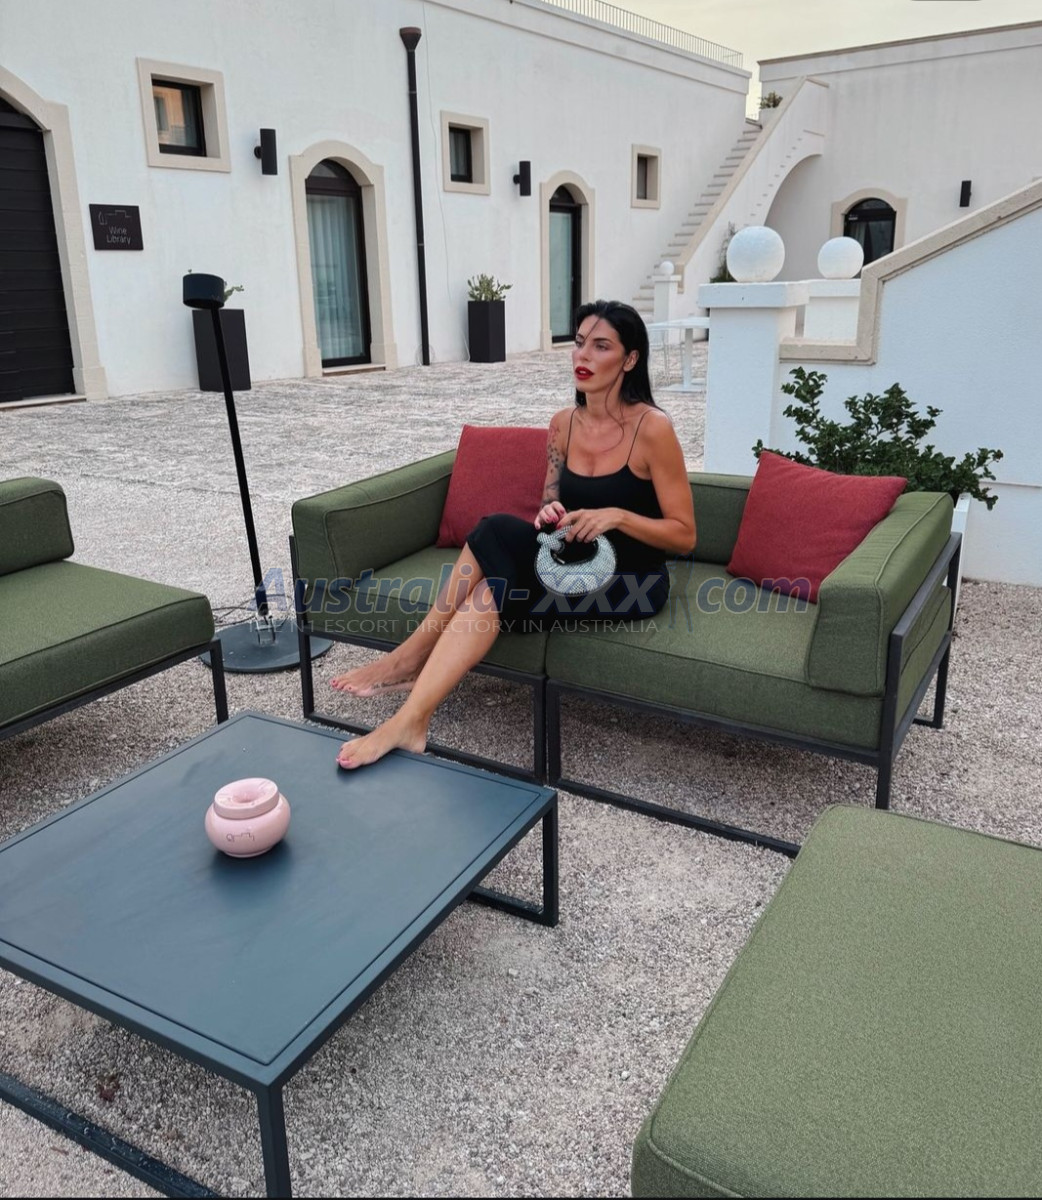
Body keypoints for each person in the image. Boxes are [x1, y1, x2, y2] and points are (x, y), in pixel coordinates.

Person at [331, 299, 697, 769]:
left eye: (601, 346)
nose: (583, 356)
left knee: (495, 560)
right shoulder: (562, 425)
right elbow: (549, 504)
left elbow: (685, 536)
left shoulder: (653, 429)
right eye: (579, 343)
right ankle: (411, 719)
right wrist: (551, 513)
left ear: (630, 359)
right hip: (568, 558)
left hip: (630, 578)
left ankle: (407, 666)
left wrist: (618, 517)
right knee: (492, 561)